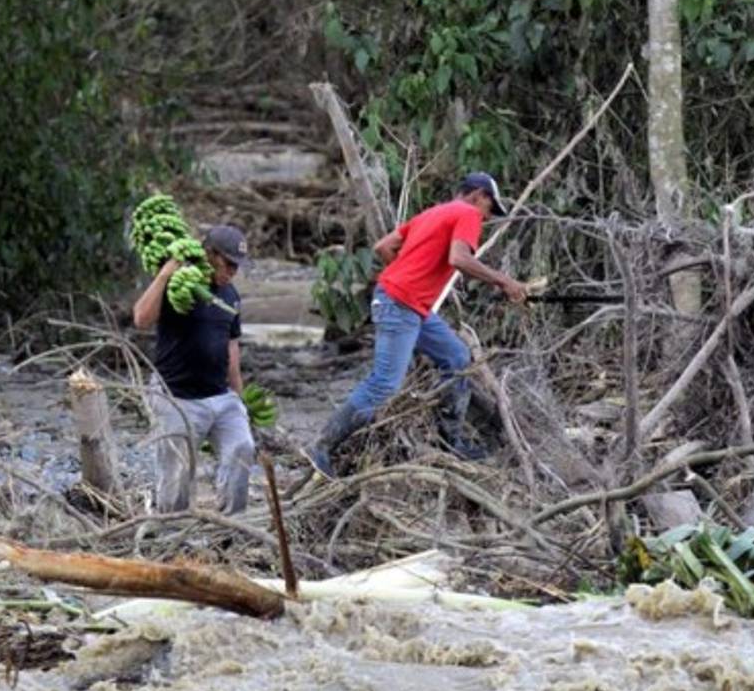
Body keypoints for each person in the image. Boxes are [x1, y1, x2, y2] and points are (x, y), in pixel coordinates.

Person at [307, 172, 528, 476]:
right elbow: (459, 259)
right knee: (384, 384)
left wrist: (408, 275)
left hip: (409, 305)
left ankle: (450, 441)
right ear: (479, 195)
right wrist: (504, 282)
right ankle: (321, 445)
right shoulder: (468, 213)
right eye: (490, 208)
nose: (488, 217)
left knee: (457, 358)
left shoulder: (433, 212)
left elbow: (384, 246)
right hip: (401, 305)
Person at [133, 224, 255, 514]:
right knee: (177, 476)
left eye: (237, 267)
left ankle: (231, 527)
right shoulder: (180, 286)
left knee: (243, 449)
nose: (232, 272)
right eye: (228, 264)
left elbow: (232, 347)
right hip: (177, 397)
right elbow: (141, 318)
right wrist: (166, 271)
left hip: (220, 396)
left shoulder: (231, 296)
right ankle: (171, 536)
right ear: (209, 255)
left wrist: (239, 397)